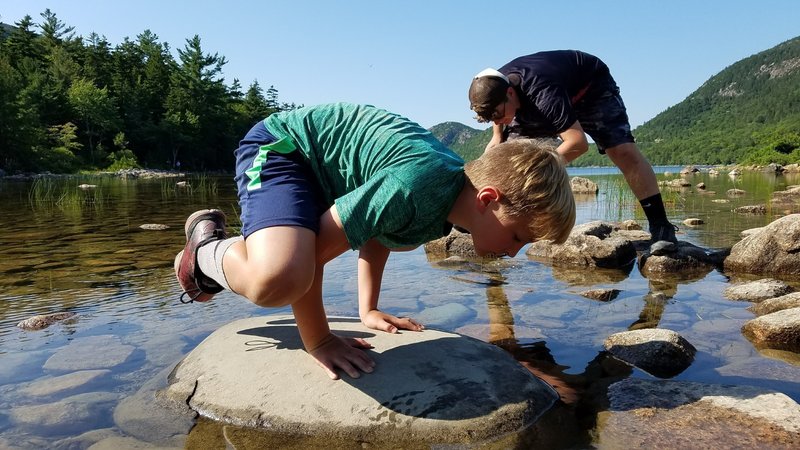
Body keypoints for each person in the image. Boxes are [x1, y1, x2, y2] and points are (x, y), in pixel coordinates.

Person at [173, 103, 576, 380]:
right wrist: (320, 339)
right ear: (489, 200)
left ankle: (226, 262)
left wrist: (368, 309)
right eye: (518, 236)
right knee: (277, 280)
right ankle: (205, 249)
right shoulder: (417, 185)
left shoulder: (447, 205)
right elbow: (315, 257)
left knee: (394, 242)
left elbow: (378, 231)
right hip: (283, 148)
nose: (513, 252)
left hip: (323, 174)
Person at [468, 50, 678, 244]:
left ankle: (661, 227)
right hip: (538, 98)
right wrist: (497, 138)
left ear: (510, 94)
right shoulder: (494, 86)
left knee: (621, 151)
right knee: (510, 161)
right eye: (490, 118)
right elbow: (498, 129)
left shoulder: (541, 92)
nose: (498, 120)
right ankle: (487, 223)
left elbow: (577, 144)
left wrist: (539, 169)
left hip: (591, 88)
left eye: (498, 114)